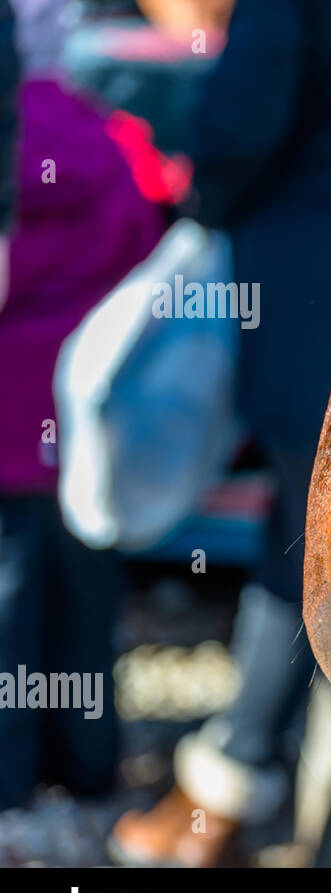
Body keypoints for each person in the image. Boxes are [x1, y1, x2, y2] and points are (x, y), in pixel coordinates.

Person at [110, 0, 331, 866]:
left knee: (319, 538)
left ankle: (263, 793)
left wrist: (204, 196)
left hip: (321, 283)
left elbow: (240, 123)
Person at [0, 0, 168, 809]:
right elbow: (145, 251)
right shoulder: (109, 137)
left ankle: (9, 783)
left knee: (7, 613)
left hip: (3, 431)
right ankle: (91, 771)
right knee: (90, 606)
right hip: (83, 431)